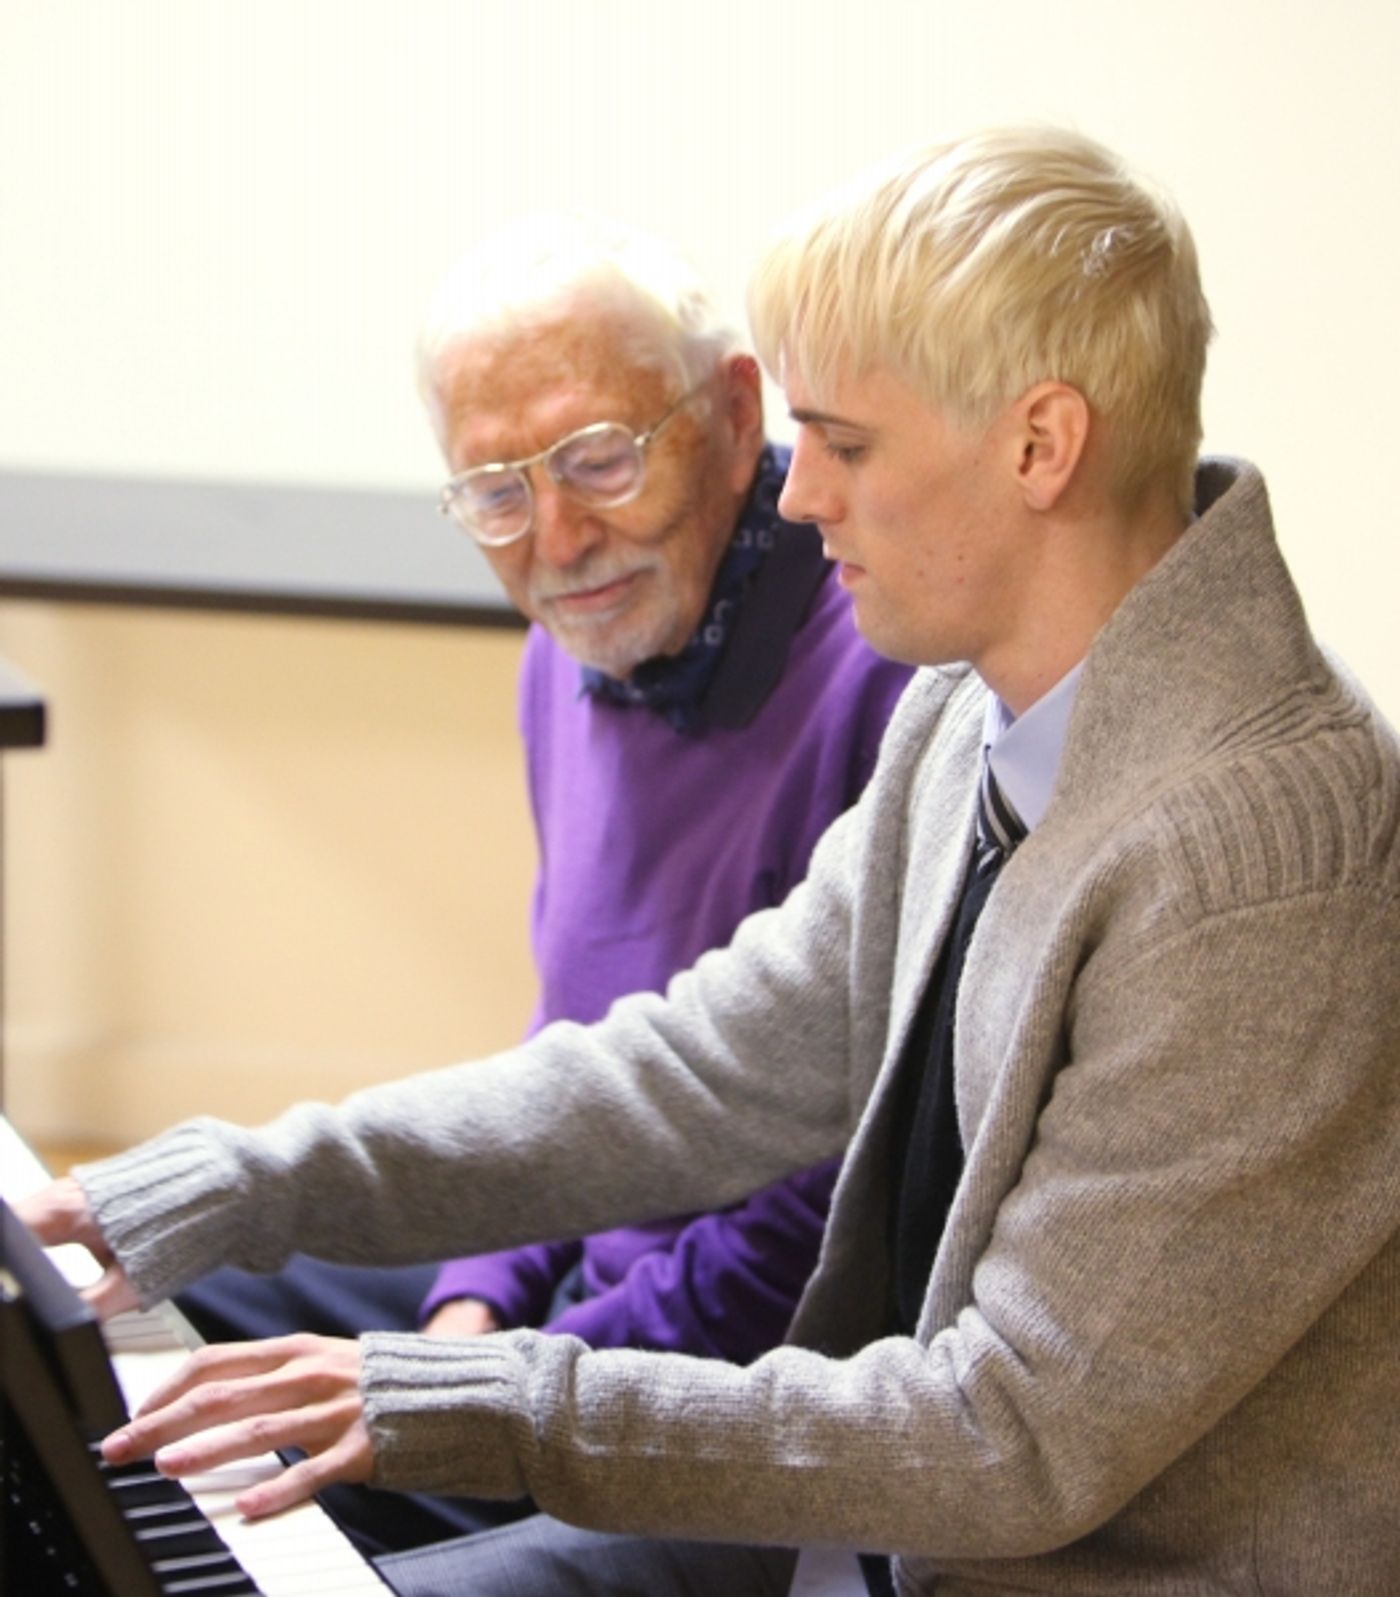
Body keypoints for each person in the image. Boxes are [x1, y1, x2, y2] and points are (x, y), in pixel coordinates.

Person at [24, 126, 1400, 1597]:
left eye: (849, 447)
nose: (800, 500)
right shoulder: (970, 708)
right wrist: (245, 1179)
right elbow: (696, 1069)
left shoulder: (1263, 860)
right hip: (883, 1515)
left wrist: (482, 1400)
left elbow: (1012, 1437)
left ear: (1040, 446)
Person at [143, 215, 915, 1552]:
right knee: (172, 1307)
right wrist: (477, 1297)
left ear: (735, 413)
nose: (557, 537)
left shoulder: (884, 672)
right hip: (586, 1285)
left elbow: (830, 1214)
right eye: (495, 489)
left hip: (744, 1379)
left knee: (289, 1487)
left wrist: (499, 1382)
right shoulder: (571, 653)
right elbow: (574, 1039)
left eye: (598, 459)